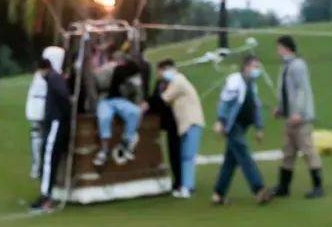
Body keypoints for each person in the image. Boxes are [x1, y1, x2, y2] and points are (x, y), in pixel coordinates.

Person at [212, 54, 270, 205]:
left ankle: (218, 194)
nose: (257, 70)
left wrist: (259, 127)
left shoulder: (252, 84)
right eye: (255, 66)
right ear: (246, 67)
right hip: (233, 126)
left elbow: (254, 107)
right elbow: (225, 102)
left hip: (242, 126)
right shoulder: (235, 80)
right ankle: (259, 189)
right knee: (244, 154)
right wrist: (220, 120)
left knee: (230, 161)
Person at [273, 34, 324, 199]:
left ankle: (318, 187)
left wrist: (298, 112)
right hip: (289, 118)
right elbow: (286, 92)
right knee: (288, 152)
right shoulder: (285, 67)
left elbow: (302, 90)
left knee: (308, 151)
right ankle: (283, 186)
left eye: (279, 47)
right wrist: (281, 109)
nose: (277, 51)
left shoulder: (297, 66)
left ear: (287, 48)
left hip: (300, 119)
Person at [157, 59, 205, 198]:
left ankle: (187, 187)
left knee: (188, 156)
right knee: (185, 156)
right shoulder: (177, 81)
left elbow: (164, 98)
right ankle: (186, 185)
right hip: (185, 124)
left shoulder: (178, 80)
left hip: (192, 122)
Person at [93, 44, 146, 167]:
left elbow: (136, 87)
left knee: (135, 112)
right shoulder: (106, 69)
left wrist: (140, 101)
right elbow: (98, 82)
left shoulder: (130, 69)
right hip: (105, 100)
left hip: (120, 100)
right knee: (104, 117)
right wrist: (107, 71)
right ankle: (104, 150)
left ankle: (126, 142)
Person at [31, 54, 71, 213]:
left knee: (48, 158)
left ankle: (46, 196)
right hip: (56, 122)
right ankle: (46, 193)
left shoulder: (54, 79)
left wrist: (62, 116)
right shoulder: (55, 78)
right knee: (48, 158)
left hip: (56, 122)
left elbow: (63, 97)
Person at [25, 45, 65, 179]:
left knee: (37, 136)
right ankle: (40, 167)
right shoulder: (53, 76)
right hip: (45, 110)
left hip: (35, 108)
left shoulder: (41, 74)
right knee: (44, 139)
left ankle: (37, 167)